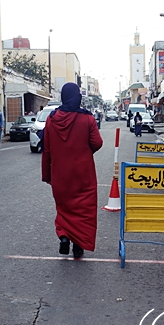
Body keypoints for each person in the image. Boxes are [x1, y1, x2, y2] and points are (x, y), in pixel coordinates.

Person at [42, 83, 103, 259]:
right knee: (83, 210)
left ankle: (63, 237)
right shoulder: (88, 119)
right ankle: (78, 245)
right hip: (83, 173)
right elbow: (97, 143)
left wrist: (47, 175)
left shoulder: (52, 119)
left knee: (63, 208)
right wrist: (84, 151)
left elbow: (46, 150)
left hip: (60, 175)